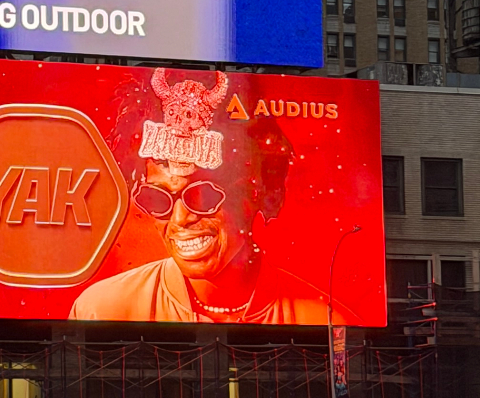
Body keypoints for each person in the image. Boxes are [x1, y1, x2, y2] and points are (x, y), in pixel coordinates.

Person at [70, 71, 329, 324]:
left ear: (257, 192)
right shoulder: (100, 310)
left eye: (203, 195)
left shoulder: (324, 320)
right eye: (156, 198)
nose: (180, 219)